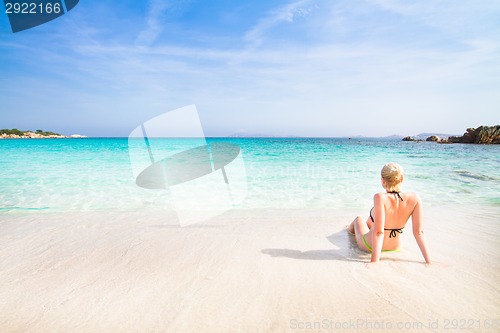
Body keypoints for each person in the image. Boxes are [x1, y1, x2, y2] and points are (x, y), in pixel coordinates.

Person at [347, 162, 431, 264]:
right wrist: (429, 261)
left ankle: (347, 230)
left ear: (382, 181)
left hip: (370, 246)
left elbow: (379, 232)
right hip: (396, 247)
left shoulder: (380, 197)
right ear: (402, 179)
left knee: (358, 219)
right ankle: (368, 224)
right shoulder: (415, 198)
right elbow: (419, 232)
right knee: (370, 221)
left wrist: (374, 262)